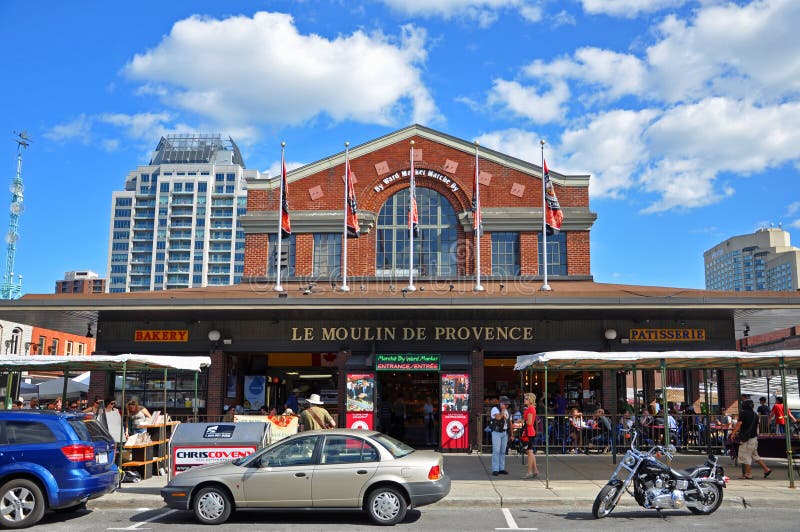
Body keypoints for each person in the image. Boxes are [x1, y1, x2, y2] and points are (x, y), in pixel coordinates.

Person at [730, 399, 771, 479]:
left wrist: (733, 433)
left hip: (746, 439)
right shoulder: (755, 414)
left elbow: (739, 424)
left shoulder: (743, 413)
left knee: (746, 455)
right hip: (754, 438)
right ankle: (766, 469)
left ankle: (748, 473)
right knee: (754, 455)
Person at [490, 396, 511, 476]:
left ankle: (501, 468)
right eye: (505, 404)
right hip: (496, 432)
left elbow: (509, 422)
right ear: (501, 403)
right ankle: (495, 469)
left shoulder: (507, 411)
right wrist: (502, 410)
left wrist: (511, 434)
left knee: (503, 451)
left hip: (504, 432)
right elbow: (498, 418)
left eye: (507, 404)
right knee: (496, 451)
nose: (506, 406)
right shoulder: (495, 409)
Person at [522, 393, 540, 479]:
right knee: (530, 451)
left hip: (529, 432)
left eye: (526, 398)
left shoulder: (530, 409)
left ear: (530, 400)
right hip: (529, 431)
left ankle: (529, 471)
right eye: (525, 398)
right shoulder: (530, 408)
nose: (524, 400)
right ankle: (535, 470)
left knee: (529, 452)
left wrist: (522, 421)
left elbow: (529, 422)